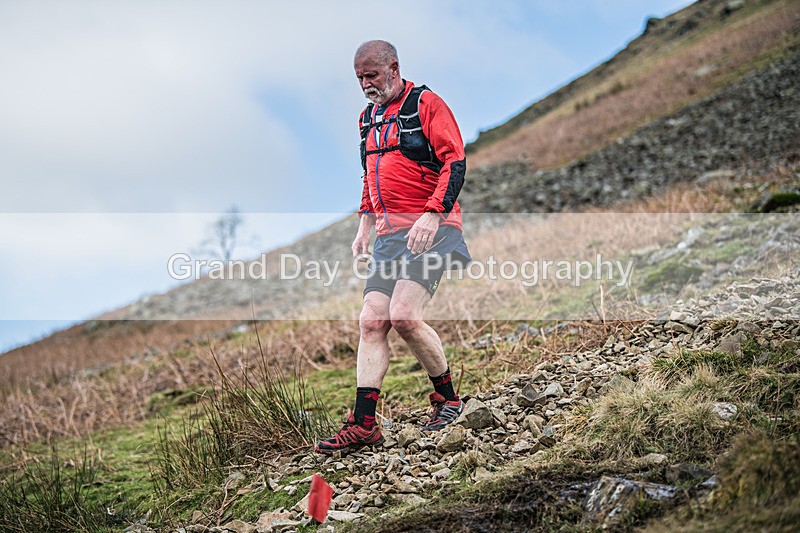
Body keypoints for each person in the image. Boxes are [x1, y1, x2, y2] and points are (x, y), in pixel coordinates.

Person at [316, 40, 471, 455]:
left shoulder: (427, 104)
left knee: (403, 316)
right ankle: (365, 423)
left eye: (371, 75)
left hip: (432, 228)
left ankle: (449, 400)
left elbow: (455, 161)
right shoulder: (367, 119)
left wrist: (433, 213)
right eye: (359, 78)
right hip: (387, 236)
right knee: (371, 321)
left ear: (393, 68)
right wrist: (364, 225)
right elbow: (370, 176)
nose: (366, 84)